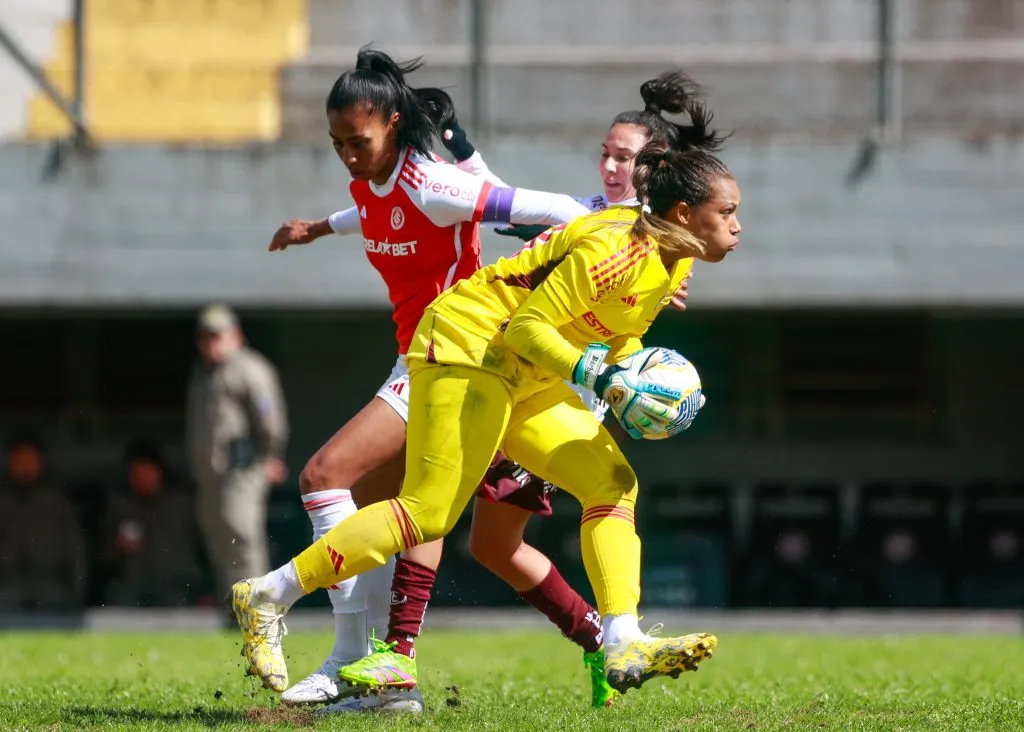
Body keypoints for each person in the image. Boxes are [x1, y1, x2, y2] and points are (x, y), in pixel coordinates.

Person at [233, 104, 742, 700]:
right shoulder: (619, 251)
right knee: (428, 514)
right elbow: (528, 328)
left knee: (613, 484)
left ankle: (621, 638)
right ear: (684, 214)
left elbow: (612, 333)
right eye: (728, 213)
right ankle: (269, 594)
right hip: (470, 344)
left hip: (527, 373)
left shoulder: (668, 262)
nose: (737, 227)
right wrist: (597, 377)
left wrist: (639, 383)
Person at [263, 47, 595, 714]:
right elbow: (372, 209)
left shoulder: (434, 184)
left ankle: (349, 660)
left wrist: (586, 255)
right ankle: (389, 681)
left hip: (454, 356)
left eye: (358, 141)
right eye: (336, 145)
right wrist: (316, 228)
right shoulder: (373, 180)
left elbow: (554, 207)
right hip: (422, 360)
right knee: (401, 516)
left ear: (391, 121)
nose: (348, 156)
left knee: (325, 478)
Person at [186, 304, 289, 599]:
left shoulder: (250, 369)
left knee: (243, 537)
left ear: (236, 335)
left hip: (243, 469)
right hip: (212, 475)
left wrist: (271, 455)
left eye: (218, 335)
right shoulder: (204, 374)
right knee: (219, 540)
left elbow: (270, 418)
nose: (211, 343)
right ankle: (234, 609)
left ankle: (259, 610)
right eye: (206, 336)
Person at [100, 439, 204, 607]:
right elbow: (102, 558)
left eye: (146, 472)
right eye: (136, 473)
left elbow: (204, 550)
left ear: (159, 472)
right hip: (131, 590)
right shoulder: (119, 507)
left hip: (177, 588)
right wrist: (117, 547)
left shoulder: (181, 505)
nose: (142, 479)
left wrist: (206, 590)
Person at [0, 431, 86, 611]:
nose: (24, 466)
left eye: (29, 459)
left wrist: (76, 593)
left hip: (51, 589)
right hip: (7, 587)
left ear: (41, 462)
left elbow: (75, 552)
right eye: (19, 460)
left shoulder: (58, 503)